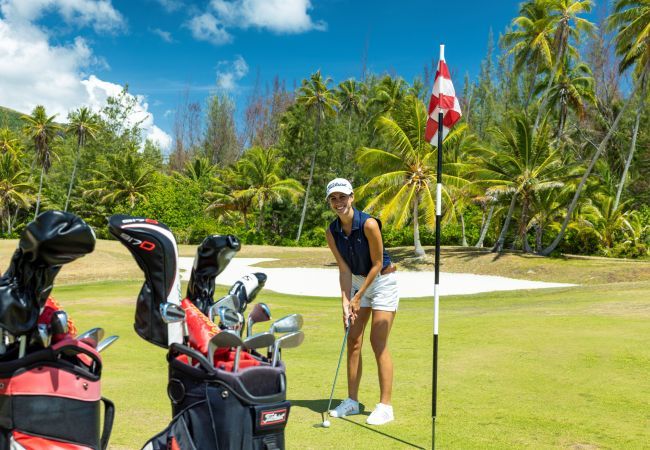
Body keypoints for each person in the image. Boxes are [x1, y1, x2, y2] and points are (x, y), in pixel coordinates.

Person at [324, 177, 399, 426]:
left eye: (342, 197)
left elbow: (377, 263)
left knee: (377, 342)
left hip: (382, 282)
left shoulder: (368, 224)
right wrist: (346, 301)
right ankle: (352, 401)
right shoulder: (332, 231)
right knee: (352, 339)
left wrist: (358, 296)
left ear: (352, 197)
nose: (338, 202)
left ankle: (385, 406)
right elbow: (344, 269)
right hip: (356, 282)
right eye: (333, 198)